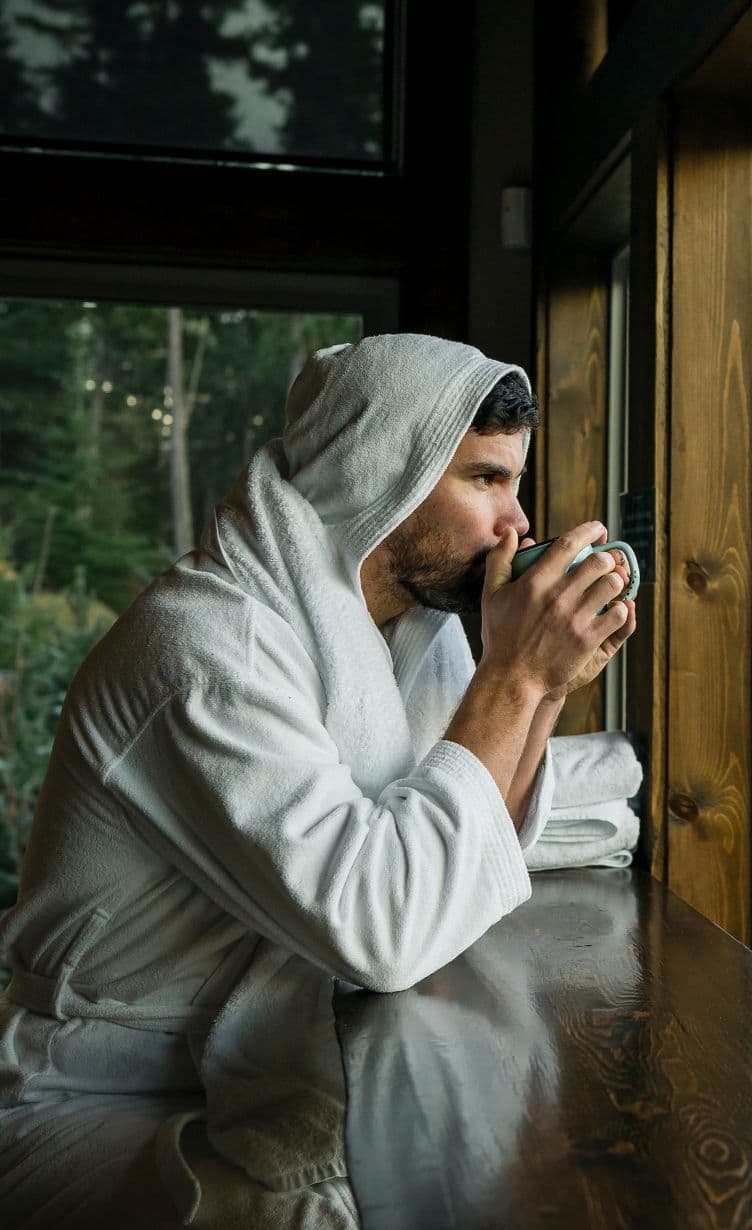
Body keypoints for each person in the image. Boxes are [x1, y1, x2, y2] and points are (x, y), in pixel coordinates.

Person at [0, 333, 637, 1221]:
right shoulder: (205, 649)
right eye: (486, 480)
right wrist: (515, 678)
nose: (517, 526)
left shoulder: (412, 635)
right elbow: (384, 927)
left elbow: (471, 823)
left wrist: (545, 684)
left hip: (247, 1064)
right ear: (383, 473)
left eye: (516, 484)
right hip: (98, 1100)